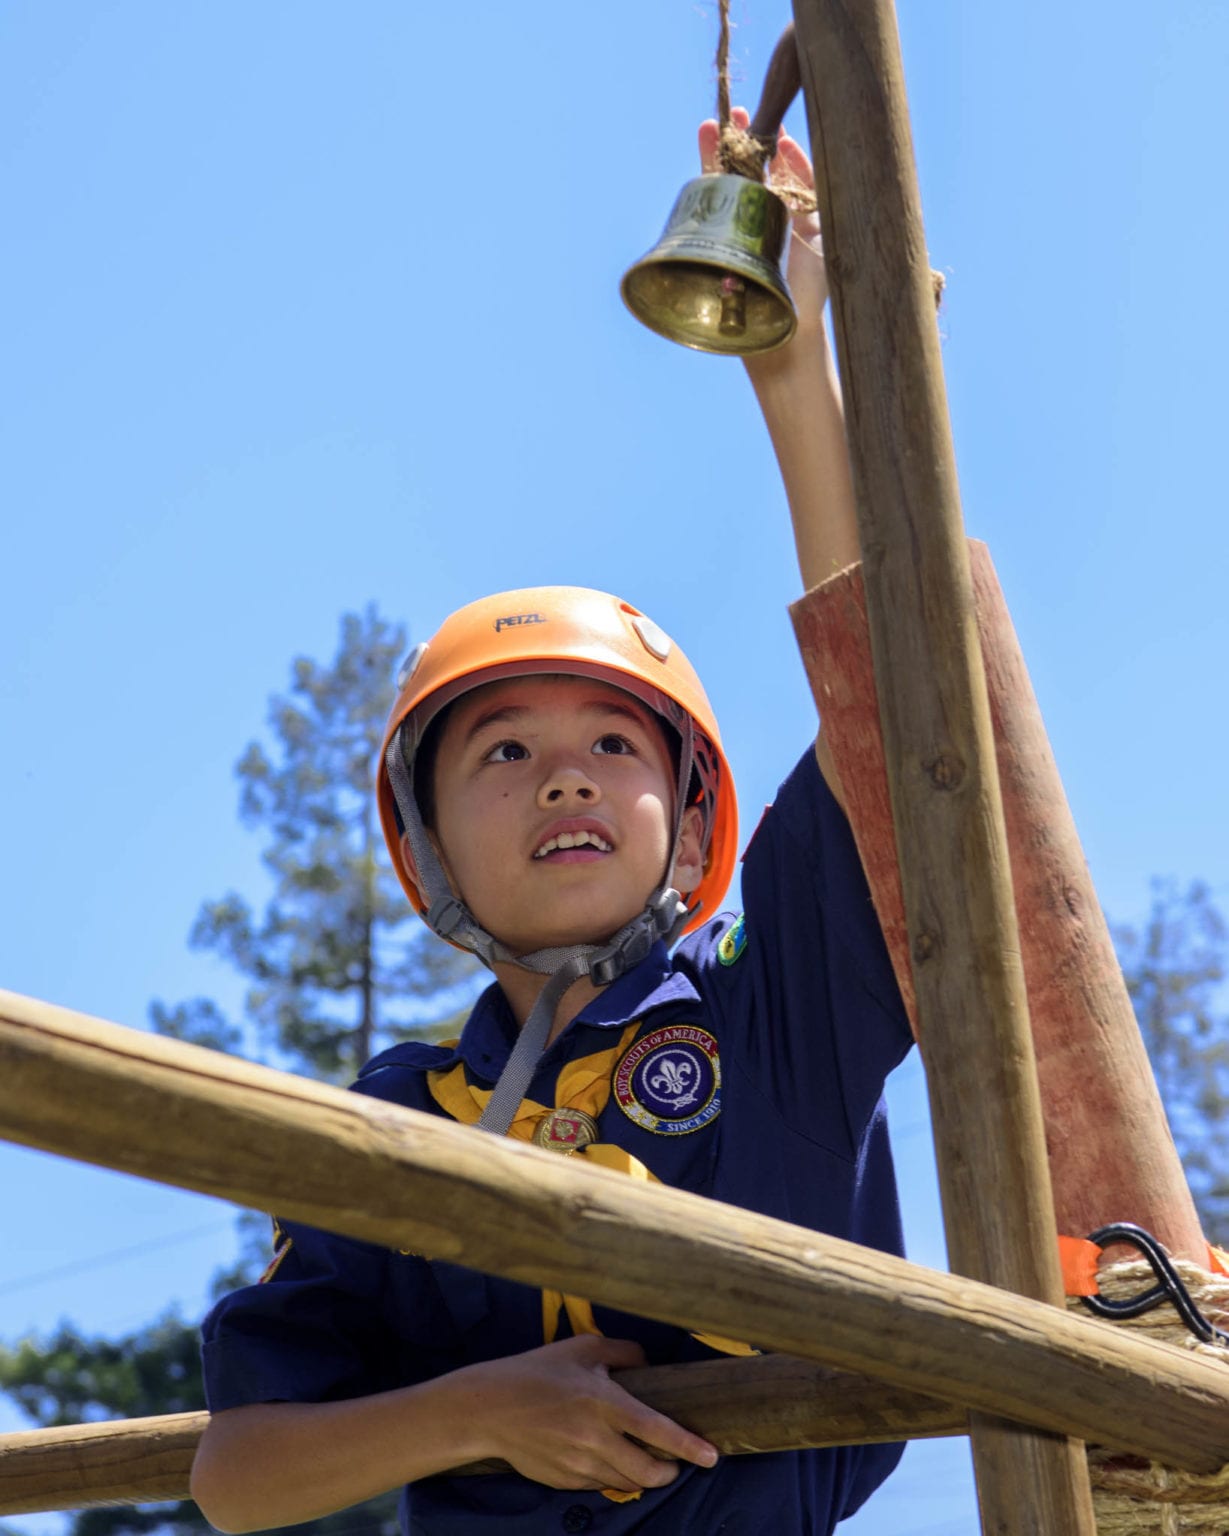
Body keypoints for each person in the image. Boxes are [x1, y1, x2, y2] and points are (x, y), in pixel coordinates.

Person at [190, 111, 914, 1536]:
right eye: (504, 751)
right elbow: (239, 1478)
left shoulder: (775, 1009)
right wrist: (483, 1410)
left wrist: (792, 372)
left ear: (685, 804)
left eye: (607, 744)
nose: (565, 780)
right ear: (430, 842)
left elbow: (897, 717)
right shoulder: (396, 1122)